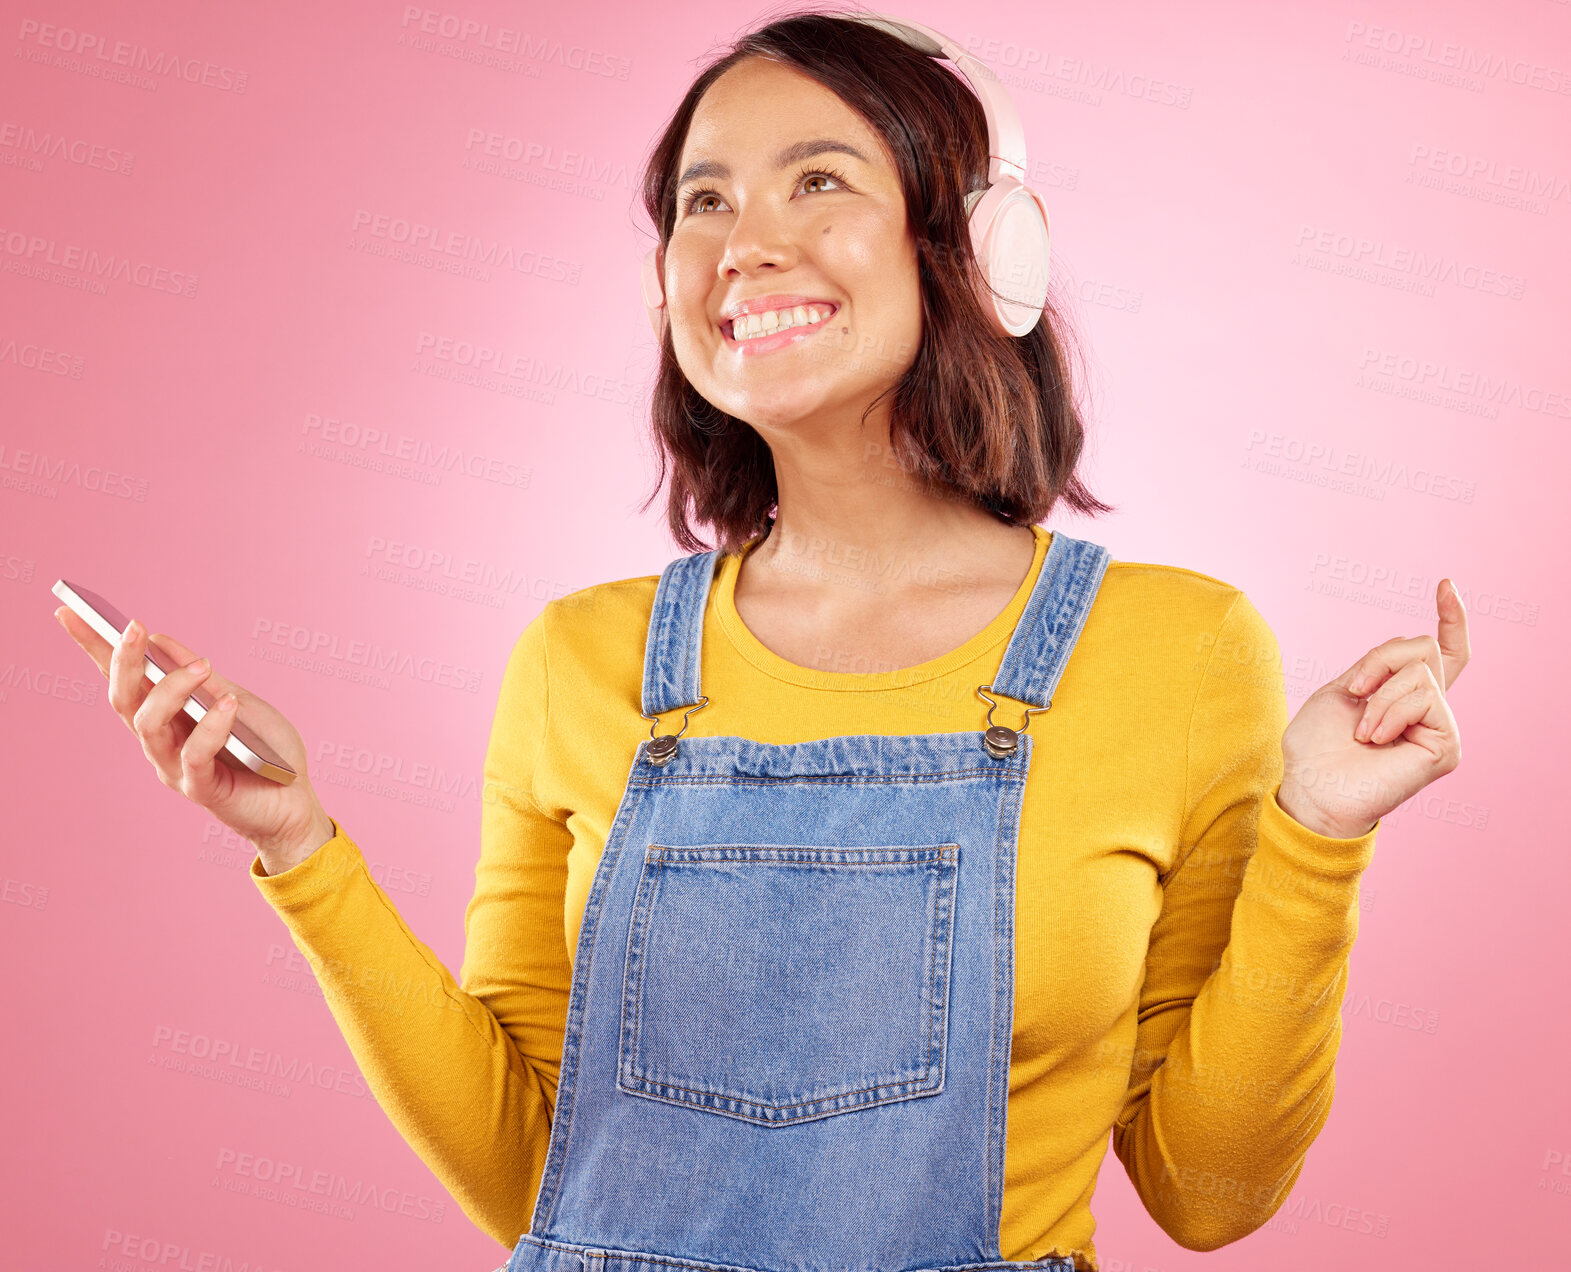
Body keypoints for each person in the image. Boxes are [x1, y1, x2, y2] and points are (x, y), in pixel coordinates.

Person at [55, 9, 1468, 1272]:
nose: (746, 243)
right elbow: (539, 1185)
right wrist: (300, 846)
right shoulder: (578, 662)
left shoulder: (1179, 647)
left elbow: (1208, 1193)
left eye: (819, 181)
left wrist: (1316, 833)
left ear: (977, 246)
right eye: (702, 202)